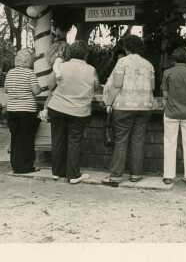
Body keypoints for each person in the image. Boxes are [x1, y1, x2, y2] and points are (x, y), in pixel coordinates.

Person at [102, 35, 155, 185]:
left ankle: (116, 176)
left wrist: (109, 103)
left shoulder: (122, 62)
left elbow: (117, 84)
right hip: (144, 107)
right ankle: (136, 175)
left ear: (126, 48)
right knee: (138, 140)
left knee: (121, 140)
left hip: (124, 106)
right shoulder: (149, 65)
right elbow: (152, 87)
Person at [47, 40, 99, 184]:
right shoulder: (91, 70)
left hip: (57, 107)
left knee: (58, 139)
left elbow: (50, 85)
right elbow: (95, 86)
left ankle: (57, 172)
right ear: (86, 54)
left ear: (70, 53)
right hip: (79, 110)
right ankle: (73, 175)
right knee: (74, 142)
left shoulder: (61, 66)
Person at [161, 47, 186, 186]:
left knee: (170, 143)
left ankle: (168, 176)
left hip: (171, 113)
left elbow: (165, 95)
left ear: (174, 59)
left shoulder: (167, 73)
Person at [4, 48, 41, 174]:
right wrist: (40, 88)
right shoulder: (30, 74)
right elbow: (36, 91)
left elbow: (6, 90)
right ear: (28, 61)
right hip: (27, 111)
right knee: (27, 139)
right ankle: (26, 167)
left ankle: (15, 166)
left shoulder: (9, 73)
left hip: (12, 111)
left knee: (15, 138)